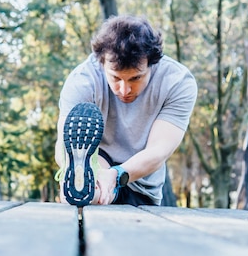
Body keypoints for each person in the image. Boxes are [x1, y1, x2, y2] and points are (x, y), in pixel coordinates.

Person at [55, 14, 197, 207]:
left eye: (135, 79)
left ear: (152, 64)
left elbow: (158, 150)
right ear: (102, 63)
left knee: (111, 191)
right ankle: (85, 186)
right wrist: (98, 176)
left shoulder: (177, 82)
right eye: (115, 78)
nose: (124, 90)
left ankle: (93, 186)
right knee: (90, 192)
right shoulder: (82, 82)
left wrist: (115, 175)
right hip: (99, 159)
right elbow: (64, 146)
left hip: (141, 182)